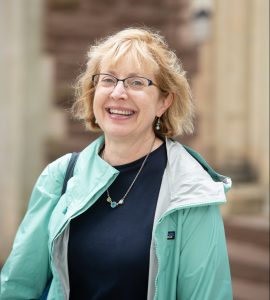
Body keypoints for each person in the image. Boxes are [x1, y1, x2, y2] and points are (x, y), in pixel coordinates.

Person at [0, 27, 233, 300]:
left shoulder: (192, 190)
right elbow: (16, 288)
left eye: (136, 82)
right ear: (93, 91)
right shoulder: (60, 176)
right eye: (108, 80)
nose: (119, 93)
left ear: (164, 101)